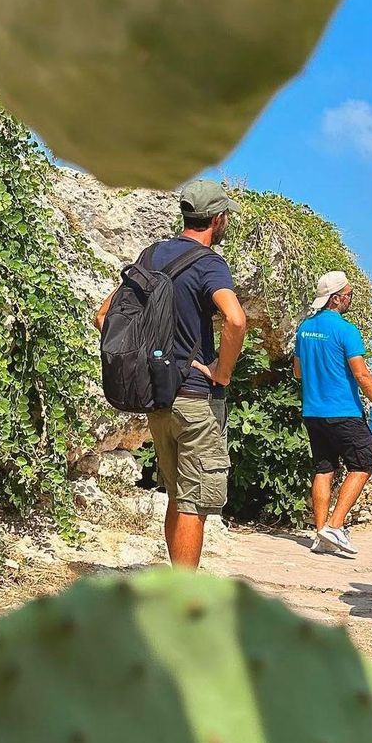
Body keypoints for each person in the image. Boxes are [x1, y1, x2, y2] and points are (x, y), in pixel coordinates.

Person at [95, 180, 247, 568]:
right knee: (195, 502)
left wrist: (148, 358)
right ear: (218, 218)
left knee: (178, 497)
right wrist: (222, 372)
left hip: (157, 397)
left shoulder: (150, 256)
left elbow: (103, 316)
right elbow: (235, 318)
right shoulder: (209, 263)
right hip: (195, 398)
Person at [294, 271, 372, 556]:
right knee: (364, 462)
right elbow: (361, 374)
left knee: (324, 468)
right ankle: (335, 527)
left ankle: (320, 533)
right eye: (349, 294)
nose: (351, 299)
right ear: (337, 298)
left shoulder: (305, 328)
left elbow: (298, 371)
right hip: (343, 410)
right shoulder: (346, 330)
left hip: (313, 411)